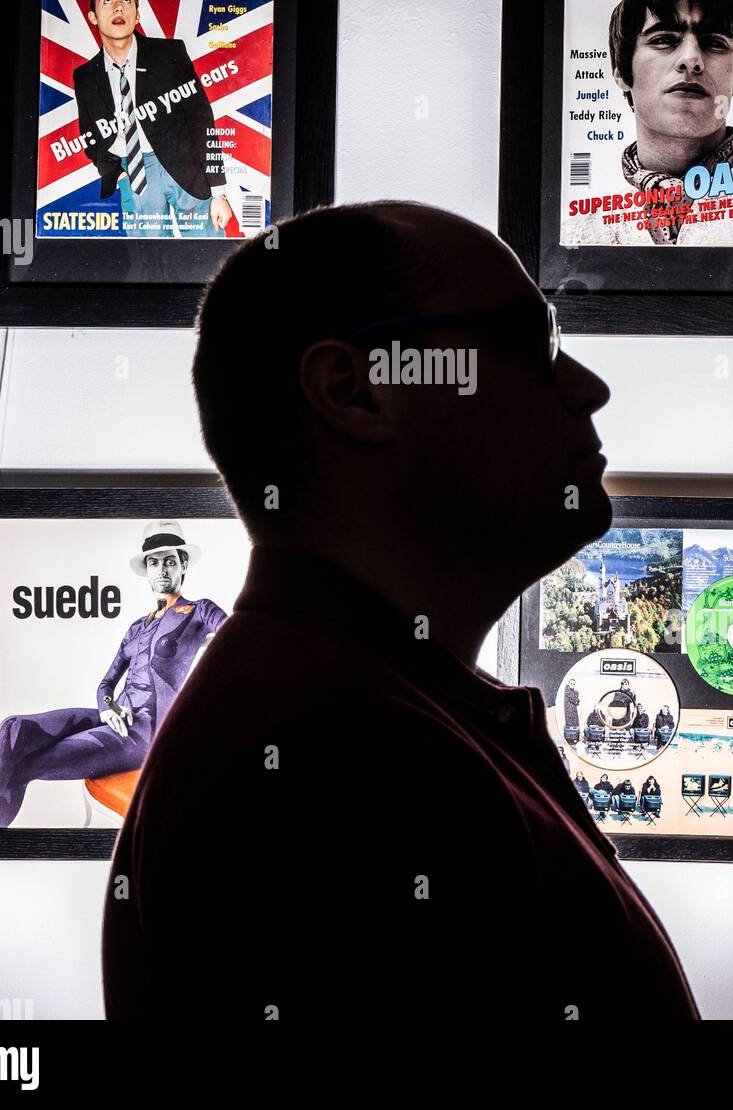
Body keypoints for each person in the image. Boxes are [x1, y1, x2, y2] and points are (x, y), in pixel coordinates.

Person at [101, 200, 700, 1025]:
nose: (588, 386)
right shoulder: (329, 760)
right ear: (355, 391)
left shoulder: (354, 713)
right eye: (534, 344)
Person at [0, 521, 226, 828]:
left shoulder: (199, 610)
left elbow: (237, 636)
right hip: (115, 719)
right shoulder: (136, 628)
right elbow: (106, 683)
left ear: (182, 565)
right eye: (154, 563)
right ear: (146, 570)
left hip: (145, 736)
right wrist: (107, 707)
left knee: (23, 766)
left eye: (170, 561)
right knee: (13, 730)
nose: (162, 570)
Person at [72, 0, 234, 240]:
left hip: (185, 167)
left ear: (137, 15)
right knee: (150, 265)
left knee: (207, 252)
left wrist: (219, 192)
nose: (118, 8)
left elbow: (201, 120)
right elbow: (91, 136)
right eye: (108, 1)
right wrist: (119, 174)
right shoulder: (85, 76)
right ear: (93, 16)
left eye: (126, 0)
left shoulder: (169, 53)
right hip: (135, 174)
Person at [606, 0, 733, 246]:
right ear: (622, 72)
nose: (691, 60)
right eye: (663, 40)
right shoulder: (578, 231)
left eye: (714, 42)